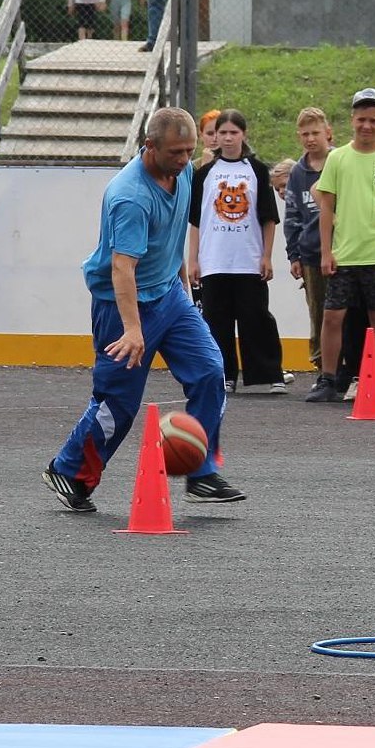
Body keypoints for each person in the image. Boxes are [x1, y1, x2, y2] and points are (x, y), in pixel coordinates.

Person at [45, 107, 244, 512]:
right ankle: (69, 471)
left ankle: (201, 471)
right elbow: (122, 268)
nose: (186, 160)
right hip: (123, 306)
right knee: (118, 404)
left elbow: (171, 238)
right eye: (176, 152)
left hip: (169, 294)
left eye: (190, 150)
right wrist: (133, 330)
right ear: (149, 146)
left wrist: (186, 293)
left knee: (210, 372)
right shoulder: (130, 197)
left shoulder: (183, 171)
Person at [303, 89, 375, 404]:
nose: (367, 126)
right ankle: (328, 378)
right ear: (352, 120)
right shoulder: (338, 158)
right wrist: (326, 250)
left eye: (373, 120)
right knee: (332, 316)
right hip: (345, 253)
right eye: (361, 119)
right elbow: (326, 207)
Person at [185, 108, 285, 393]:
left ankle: (267, 374)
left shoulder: (256, 170)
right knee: (217, 321)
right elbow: (196, 220)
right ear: (214, 136)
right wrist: (193, 259)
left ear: (244, 134)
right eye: (222, 133)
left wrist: (266, 256)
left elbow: (268, 217)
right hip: (214, 260)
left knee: (256, 317)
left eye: (233, 132)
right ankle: (223, 374)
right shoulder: (204, 174)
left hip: (248, 259)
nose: (227, 138)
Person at [284, 108, 331, 372]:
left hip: (342, 251)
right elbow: (292, 215)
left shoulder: (340, 163)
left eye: (315, 133)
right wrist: (294, 254)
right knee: (318, 311)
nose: (310, 139)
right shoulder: (298, 173)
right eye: (305, 134)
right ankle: (322, 363)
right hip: (311, 253)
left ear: (328, 132)